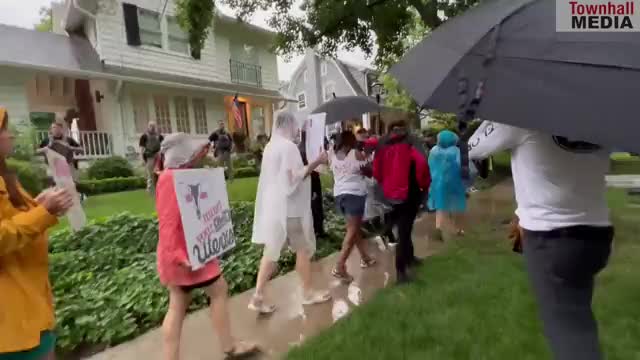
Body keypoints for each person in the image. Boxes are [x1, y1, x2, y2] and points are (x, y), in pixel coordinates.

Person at [468, 121, 613, 360]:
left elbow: (474, 147)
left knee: (568, 334)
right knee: (578, 319)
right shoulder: (597, 113)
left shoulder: (521, 115)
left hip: (551, 237)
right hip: (596, 233)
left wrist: (493, 110)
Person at [155, 133, 258, 360]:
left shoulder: (175, 175)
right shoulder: (171, 179)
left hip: (187, 252)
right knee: (218, 290)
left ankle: (171, 357)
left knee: (178, 305)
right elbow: (168, 223)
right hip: (187, 255)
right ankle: (229, 346)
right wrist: (179, 256)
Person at [0, 106, 74, 360]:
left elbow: (13, 216)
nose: (10, 136)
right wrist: (43, 212)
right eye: (4, 130)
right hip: (11, 319)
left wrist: (39, 203)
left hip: (31, 300)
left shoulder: (5, 174)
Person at [249, 111, 331, 314]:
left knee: (271, 251)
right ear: (288, 124)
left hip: (275, 208)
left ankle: (257, 296)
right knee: (302, 249)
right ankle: (307, 293)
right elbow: (293, 178)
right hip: (289, 209)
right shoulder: (288, 147)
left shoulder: (270, 146)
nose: (297, 130)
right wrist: (317, 161)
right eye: (295, 125)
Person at [373, 120, 430, 283]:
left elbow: (376, 171)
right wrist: (424, 185)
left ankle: (410, 257)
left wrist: (386, 183)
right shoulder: (411, 141)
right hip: (409, 193)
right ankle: (401, 271)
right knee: (404, 232)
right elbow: (422, 165)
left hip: (388, 193)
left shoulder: (382, 143)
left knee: (403, 228)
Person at [328, 130, 376, 282]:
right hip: (354, 195)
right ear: (350, 141)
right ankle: (340, 266)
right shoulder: (355, 153)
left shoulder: (332, 154)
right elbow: (369, 172)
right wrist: (369, 162)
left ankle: (365, 258)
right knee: (352, 231)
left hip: (339, 196)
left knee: (354, 230)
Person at [427, 130, 467, 240]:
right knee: (453, 205)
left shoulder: (434, 150)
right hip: (453, 182)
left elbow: (429, 164)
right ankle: (455, 229)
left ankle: (439, 226)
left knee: (441, 205)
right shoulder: (455, 151)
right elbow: (461, 166)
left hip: (437, 182)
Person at [298, 131, 327, 238]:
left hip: (311, 180)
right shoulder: (305, 150)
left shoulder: (301, 148)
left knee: (314, 205)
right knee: (315, 205)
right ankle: (317, 229)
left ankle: (317, 228)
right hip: (311, 180)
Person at [139, 122, 164, 196]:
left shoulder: (159, 136)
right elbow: (142, 148)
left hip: (159, 156)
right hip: (149, 156)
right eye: (150, 126)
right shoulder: (144, 136)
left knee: (159, 172)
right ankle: (150, 190)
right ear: (148, 127)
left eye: (153, 126)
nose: (152, 127)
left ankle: (160, 187)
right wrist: (142, 159)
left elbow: (163, 145)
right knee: (150, 173)